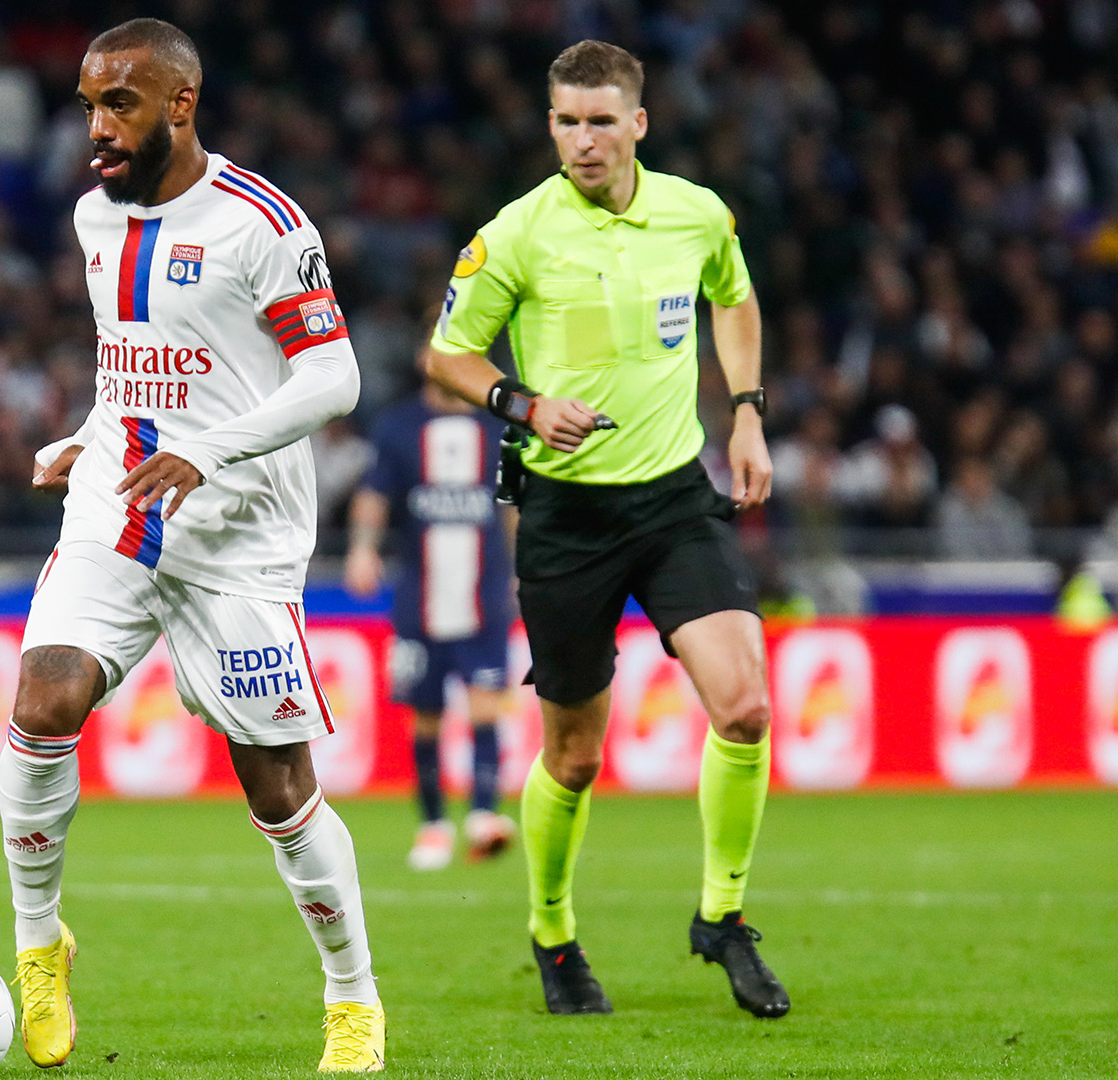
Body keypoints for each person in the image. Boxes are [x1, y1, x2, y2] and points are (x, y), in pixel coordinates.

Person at [6, 19, 380, 1072]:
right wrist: (85, 433)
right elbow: (132, 365)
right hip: (118, 506)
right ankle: (40, 947)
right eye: (87, 105)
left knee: (277, 785)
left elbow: (332, 378)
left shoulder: (261, 222)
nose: (96, 128)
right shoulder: (93, 219)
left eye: (119, 104)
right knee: (43, 701)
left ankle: (352, 998)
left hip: (241, 536)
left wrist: (209, 452)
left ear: (180, 103)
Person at [422, 41, 789, 1019]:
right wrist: (521, 402)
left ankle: (724, 917)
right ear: (550, 127)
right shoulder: (515, 235)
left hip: (673, 500)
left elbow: (735, 296)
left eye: (599, 121)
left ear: (638, 123)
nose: (582, 141)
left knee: (746, 708)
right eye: (565, 122)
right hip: (565, 518)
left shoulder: (697, 213)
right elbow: (446, 354)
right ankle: (552, 935)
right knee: (576, 756)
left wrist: (747, 410)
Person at [345, 357, 517, 870]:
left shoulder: (498, 426)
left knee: (486, 702)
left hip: (483, 591)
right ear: (427, 361)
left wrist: (520, 567)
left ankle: (484, 815)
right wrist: (361, 548)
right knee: (425, 716)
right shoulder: (399, 425)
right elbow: (374, 493)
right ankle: (433, 825)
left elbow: (510, 503)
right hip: (419, 593)